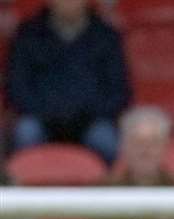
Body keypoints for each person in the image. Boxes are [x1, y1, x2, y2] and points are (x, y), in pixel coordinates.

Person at [4, 0, 130, 164]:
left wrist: (87, 113)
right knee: (26, 133)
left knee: (106, 140)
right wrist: (49, 112)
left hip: (91, 120)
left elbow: (118, 90)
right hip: (40, 118)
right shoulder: (28, 34)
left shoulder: (106, 36)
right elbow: (16, 87)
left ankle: (109, 188)